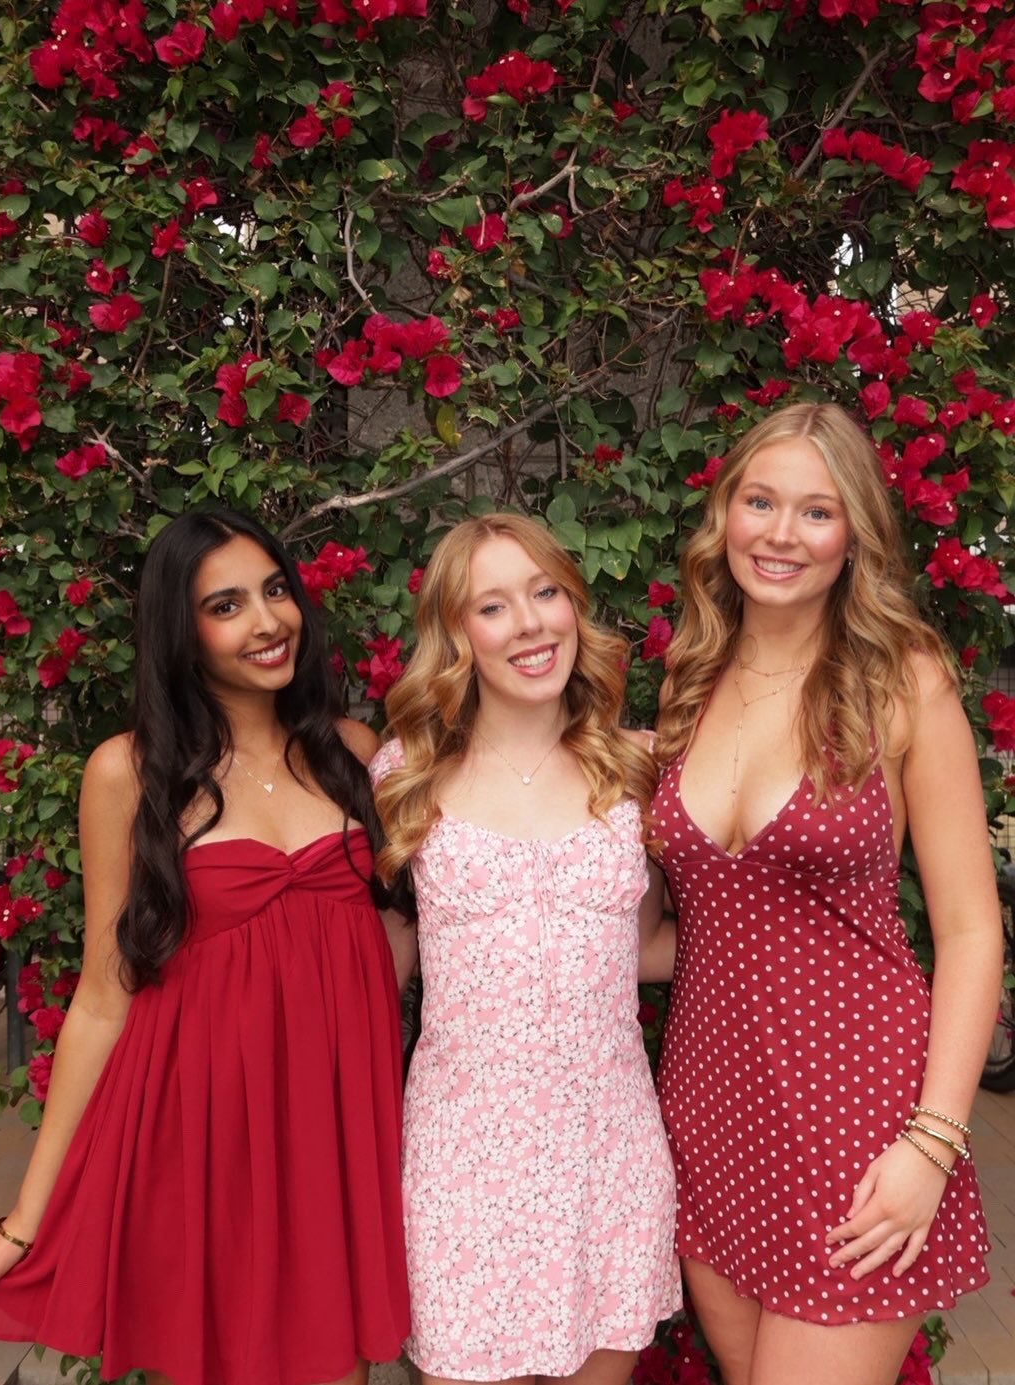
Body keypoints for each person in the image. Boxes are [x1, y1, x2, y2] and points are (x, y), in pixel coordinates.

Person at [0, 509, 410, 1385]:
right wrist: (21, 1224)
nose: (268, 620)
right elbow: (103, 996)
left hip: (330, 1123)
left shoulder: (352, 753)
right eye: (227, 604)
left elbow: (398, 931)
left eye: (276, 590)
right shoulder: (128, 773)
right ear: (182, 629)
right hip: (203, 1124)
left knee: (336, 1367)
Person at [650, 401, 1001, 1385]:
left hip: (858, 1117)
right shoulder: (690, 678)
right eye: (759, 501)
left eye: (816, 510)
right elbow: (705, 927)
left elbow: (971, 929)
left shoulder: (901, 679)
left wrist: (932, 1142)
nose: (780, 533)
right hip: (711, 1110)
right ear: (725, 512)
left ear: (853, 535)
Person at [369, 512, 680, 1385]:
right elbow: (381, 963)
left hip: (605, 1151)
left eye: (546, 592)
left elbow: (644, 948)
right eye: (494, 605)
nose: (532, 623)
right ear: (456, 631)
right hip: (464, 1162)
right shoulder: (403, 774)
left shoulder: (636, 769)